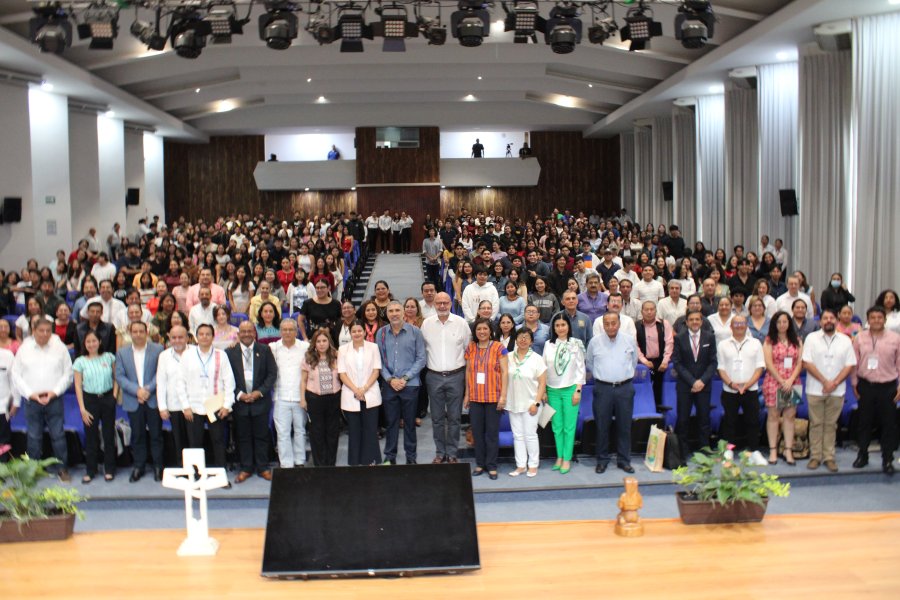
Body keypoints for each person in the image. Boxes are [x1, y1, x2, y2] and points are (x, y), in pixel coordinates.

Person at [11, 318, 73, 481]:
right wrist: (30, 393)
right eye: (41, 330)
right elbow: (16, 375)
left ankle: (62, 469)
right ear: (34, 331)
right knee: (33, 437)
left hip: (54, 399)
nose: (45, 334)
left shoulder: (59, 348)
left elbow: (68, 374)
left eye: (48, 330)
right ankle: (33, 470)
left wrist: (54, 392)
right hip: (32, 400)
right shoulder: (24, 348)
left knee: (58, 435)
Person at [802, 309, 856, 472]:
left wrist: (835, 382)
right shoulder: (811, 338)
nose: (828, 320)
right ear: (820, 321)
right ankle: (815, 456)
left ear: (836, 319)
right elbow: (807, 363)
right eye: (825, 318)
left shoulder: (845, 340)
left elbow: (849, 364)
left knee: (831, 425)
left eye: (831, 318)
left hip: (837, 390)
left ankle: (829, 457)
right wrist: (825, 381)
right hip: (815, 389)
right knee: (816, 424)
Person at [223, 321, 277, 483]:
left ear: (254, 333)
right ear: (238, 334)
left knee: (261, 436)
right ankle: (246, 468)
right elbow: (226, 378)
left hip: (260, 401)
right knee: (243, 437)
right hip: (240, 402)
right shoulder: (229, 353)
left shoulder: (265, 350)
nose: (246, 334)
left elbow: (272, 374)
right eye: (243, 331)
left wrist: (258, 392)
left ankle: (263, 467)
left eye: (249, 331)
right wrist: (239, 394)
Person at [586, 312, 638, 474]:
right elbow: (590, 363)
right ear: (603, 324)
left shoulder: (629, 340)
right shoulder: (595, 342)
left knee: (624, 426)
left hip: (624, 388)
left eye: (613, 323)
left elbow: (634, 362)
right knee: (602, 426)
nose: (610, 326)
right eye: (607, 323)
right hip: (603, 388)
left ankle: (624, 460)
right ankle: (602, 460)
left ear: (619, 323)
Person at [421, 292, 470, 464]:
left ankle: (453, 453)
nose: (442, 306)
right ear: (434, 304)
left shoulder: (461, 323)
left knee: (455, 418)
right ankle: (440, 452)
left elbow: (468, 351)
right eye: (439, 303)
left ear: (451, 303)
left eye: (445, 302)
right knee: (437, 418)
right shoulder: (426, 324)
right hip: (433, 376)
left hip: (456, 376)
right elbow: (423, 350)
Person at [181, 323, 235, 476]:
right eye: (201, 334)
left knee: (218, 441)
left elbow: (229, 381)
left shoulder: (221, 355)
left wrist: (227, 405)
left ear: (213, 337)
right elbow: (181, 382)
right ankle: (196, 474)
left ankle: (220, 474)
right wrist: (185, 406)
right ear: (196, 337)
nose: (204, 337)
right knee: (195, 442)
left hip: (215, 405)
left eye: (208, 334)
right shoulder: (188, 355)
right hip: (194, 405)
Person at [851, 306, 900, 474]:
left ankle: (887, 459)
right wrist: (854, 384)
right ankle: (862, 455)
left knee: (889, 424)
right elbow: (854, 363)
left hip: (888, 386)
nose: (876, 320)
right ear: (868, 320)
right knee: (864, 423)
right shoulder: (859, 338)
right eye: (873, 318)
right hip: (866, 385)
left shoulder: (895, 338)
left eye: (880, 317)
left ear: (884, 320)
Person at [377, 301, 426, 465]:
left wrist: (404, 379)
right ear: (387, 314)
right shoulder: (381, 333)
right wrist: (391, 379)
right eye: (391, 311)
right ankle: (390, 457)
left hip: (410, 386)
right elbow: (379, 361)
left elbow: (421, 359)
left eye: (397, 310)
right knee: (391, 423)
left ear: (403, 311)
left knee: (410, 424)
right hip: (389, 386)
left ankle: (411, 458)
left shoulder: (416, 332)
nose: (394, 313)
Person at [115, 321, 164, 483]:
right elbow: (120, 376)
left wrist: (148, 389)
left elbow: (161, 372)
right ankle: (139, 466)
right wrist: (137, 390)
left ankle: (158, 467)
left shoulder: (157, 349)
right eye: (134, 331)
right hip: (133, 399)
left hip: (153, 398)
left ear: (146, 332)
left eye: (141, 331)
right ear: (130, 332)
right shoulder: (122, 353)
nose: (138, 334)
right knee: (137, 435)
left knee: (156, 435)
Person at [464, 318, 508, 480]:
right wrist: (467, 394)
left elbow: (505, 373)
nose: (482, 332)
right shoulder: (471, 348)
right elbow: (468, 372)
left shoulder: (499, 348)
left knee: (491, 433)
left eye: (485, 329)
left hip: (493, 397)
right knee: (477, 432)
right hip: (475, 397)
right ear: (475, 332)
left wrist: (503, 396)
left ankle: (492, 465)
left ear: (491, 331)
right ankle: (480, 463)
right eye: (478, 329)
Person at [543, 313, 586, 474]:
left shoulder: (576, 344)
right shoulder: (548, 344)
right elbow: (543, 368)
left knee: (569, 427)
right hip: (552, 390)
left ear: (569, 326)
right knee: (557, 427)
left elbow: (581, 369)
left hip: (570, 390)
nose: (560, 328)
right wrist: (543, 391)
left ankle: (567, 458)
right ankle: (559, 456)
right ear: (553, 328)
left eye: (563, 325)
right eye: (557, 325)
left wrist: (578, 390)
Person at [672, 310, 717, 461]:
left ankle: (704, 448)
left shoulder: (709, 337)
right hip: (685, 386)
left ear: (702, 321)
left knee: (704, 419)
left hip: (704, 385)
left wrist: (702, 381)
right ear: (687, 322)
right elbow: (677, 363)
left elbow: (713, 362)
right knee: (683, 419)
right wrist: (693, 381)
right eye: (691, 320)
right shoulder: (679, 338)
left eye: (697, 319)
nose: (695, 322)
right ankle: (683, 450)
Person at [73, 331, 118, 483]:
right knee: (91, 437)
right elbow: (78, 386)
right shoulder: (80, 362)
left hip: (107, 398)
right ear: (84, 344)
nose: (91, 344)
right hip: (89, 400)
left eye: (94, 341)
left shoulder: (109, 357)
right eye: (88, 342)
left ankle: (109, 469)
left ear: (99, 341)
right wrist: (82, 408)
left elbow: (116, 377)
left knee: (108, 435)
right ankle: (90, 471)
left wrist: (114, 395)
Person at [717, 315, 766, 452]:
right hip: (729, 390)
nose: (739, 326)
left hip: (750, 389)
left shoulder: (756, 343)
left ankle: (754, 450)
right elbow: (721, 368)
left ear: (747, 326)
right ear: (731, 327)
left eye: (742, 323)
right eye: (736, 323)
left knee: (753, 422)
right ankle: (729, 451)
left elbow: (759, 367)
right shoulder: (722, 344)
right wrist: (732, 384)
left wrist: (747, 385)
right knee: (729, 422)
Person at [338, 320, 383, 466]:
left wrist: (363, 389)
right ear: (350, 333)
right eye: (354, 331)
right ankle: (355, 462)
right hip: (350, 394)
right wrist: (356, 390)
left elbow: (376, 370)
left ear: (364, 332)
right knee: (354, 430)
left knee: (370, 429)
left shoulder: (373, 347)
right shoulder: (343, 349)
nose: (357, 333)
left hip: (370, 392)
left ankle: (372, 461)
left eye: (359, 331)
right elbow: (342, 373)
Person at [762, 311, 804, 466]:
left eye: (785, 322)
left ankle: (788, 449)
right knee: (773, 416)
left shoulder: (797, 340)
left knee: (790, 416)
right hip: (774, 382)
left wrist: (790, 380)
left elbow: (800, 362)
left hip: (793, 381)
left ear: (789, 323)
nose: (782, 325)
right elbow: (768, 363)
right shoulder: (768, 341)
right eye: (778, 322)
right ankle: (773, 450)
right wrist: (781, 380)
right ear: (774, 324)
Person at [506, 328, 547, 477]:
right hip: (513, 402)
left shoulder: (537, 358)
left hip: (531, 403)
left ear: (531, 341)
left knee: (530, 434)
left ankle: (533, 464)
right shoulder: (508, 357)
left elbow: (542, 383)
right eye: (520, 337)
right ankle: (521, 465)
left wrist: (536, 403)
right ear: (516, 339)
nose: (523, 340)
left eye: (526, 337)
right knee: (517, 435)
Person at [270, 319, 309, 468]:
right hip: (281, 397)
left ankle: (299, 461)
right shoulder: (273, 348)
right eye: (284, 330)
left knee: (300, 430)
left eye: (290, 329)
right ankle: (286, 464)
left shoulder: (305, 347)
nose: (287, 332)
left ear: (296, 331)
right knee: (283, 433)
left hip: (300, 397)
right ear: (280, 331)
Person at [301, 328, 342, 466]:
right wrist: (302, 399)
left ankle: (330, 463)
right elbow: (303, 380)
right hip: (314, 399)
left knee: (332, 432)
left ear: (329, 342)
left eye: (324, 340)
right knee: (317, 433)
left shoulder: (337, 356)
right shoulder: (308, 357)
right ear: (314, 343)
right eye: (318, 341)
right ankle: (319, 464)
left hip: (334, 398)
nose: (322, 344)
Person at [156, 324, 190, 460]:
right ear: (169, 338)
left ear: (187, 338)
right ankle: (182, 467)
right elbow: (161, 382)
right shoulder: (164, 356)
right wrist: (162, 407)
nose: (177, 340)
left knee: (193, 440)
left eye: (180, 337)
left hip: (192, 405)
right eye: (174, 338)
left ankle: (195, 468)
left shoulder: (195, 352)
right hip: (174, 405)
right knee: (178, 439)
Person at [635, 300, 674, 410]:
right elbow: (635, 346)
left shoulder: (663, 324)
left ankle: (660, 414)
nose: (649, 312)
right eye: (646, 309)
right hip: (644, 363)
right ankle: (646, 410)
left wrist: (665, 361)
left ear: (656, 311)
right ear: (642, 312)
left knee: (660, 390)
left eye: (652, 309)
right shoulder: (636, 325)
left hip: (661, 363)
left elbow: (669, 343)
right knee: (645, 390)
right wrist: (644, 361)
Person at [0, 343, 16, 461]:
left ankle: (2, 470)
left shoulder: (7, 355)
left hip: (3, 406)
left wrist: (15, 402)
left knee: (3, 441)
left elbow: (13, 382)